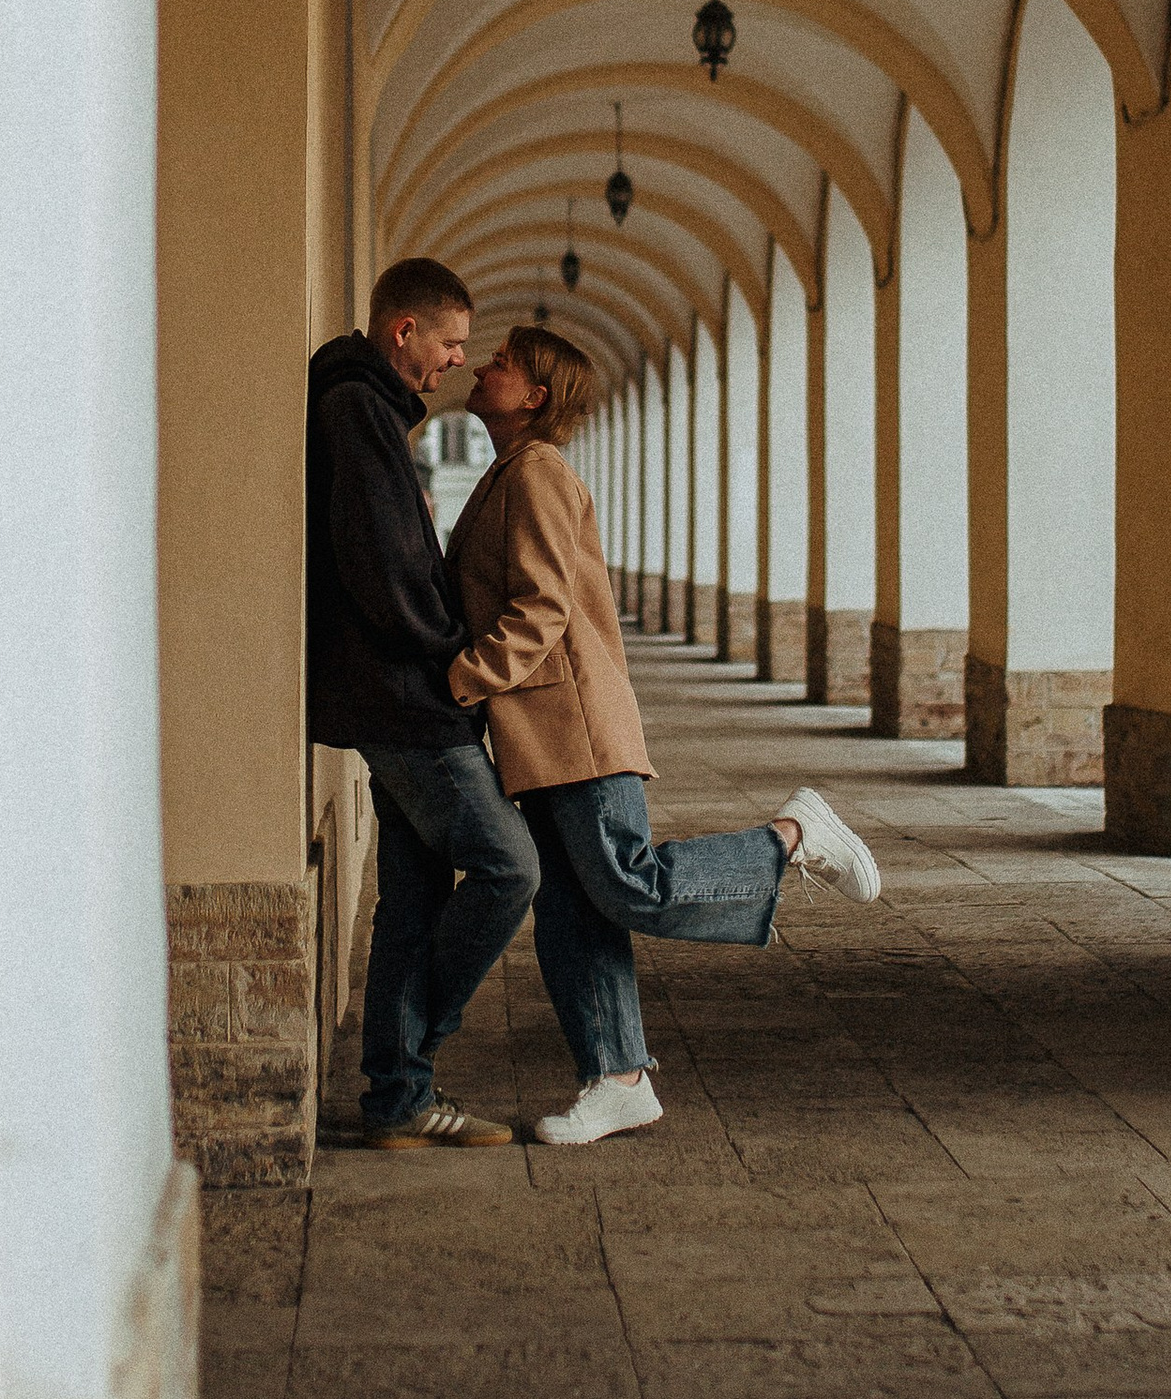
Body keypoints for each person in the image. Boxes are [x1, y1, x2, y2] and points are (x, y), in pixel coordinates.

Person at [445, 322, 879, 1146]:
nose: (482, 366)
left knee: (626, 881)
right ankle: (617, 1078)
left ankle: (792, 835)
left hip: (572, 720)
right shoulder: (510, 470)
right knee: (573, 906)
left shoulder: (536, 472)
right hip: (540, 730)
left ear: (535, 395)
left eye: (501, 361)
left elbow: (539, 609)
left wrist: (461, 678)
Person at [305, 256, 534, 1149]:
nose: (454, 361)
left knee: (410, 898)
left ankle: (399, 1100)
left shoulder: (364, 406)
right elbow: (383, 564)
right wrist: (451, 659)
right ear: (404, 331)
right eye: (449, 343)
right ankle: (408, 1056)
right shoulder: (359, 409)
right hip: (406, 698)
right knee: (512, 866)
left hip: (388, 692)